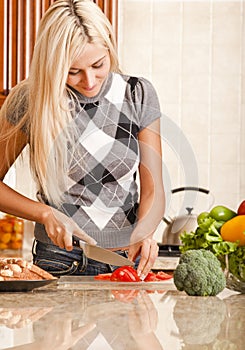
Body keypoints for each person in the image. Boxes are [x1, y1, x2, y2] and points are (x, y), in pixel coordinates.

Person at [0, 0, 165, 280]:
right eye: (73, 71)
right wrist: (44, 214)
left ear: (109, 47)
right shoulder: (30, 100)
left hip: (125, 262)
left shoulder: (137, 94)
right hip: (59, 260)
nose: (89, 81)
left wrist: (144, 232)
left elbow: (153, 189)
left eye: (98, 64)